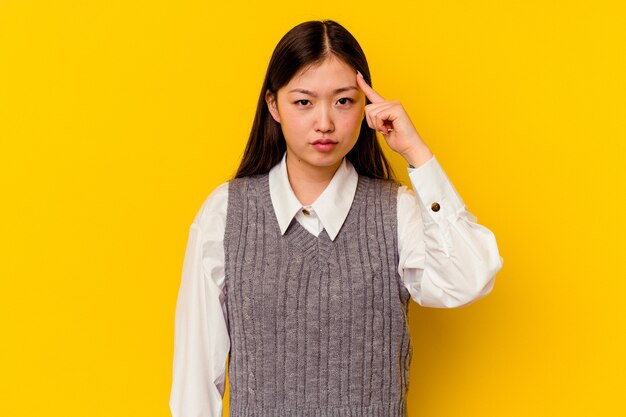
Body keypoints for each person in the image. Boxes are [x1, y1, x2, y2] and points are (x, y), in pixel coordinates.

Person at [169, 19, 502, 417]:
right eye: (304, 102)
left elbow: (467, 279)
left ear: (366, 107)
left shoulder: (395, 212)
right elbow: (196, 378)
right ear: (273, 105)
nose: (324, 122)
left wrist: (417, 153)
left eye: (343, 101)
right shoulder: (227, 213)